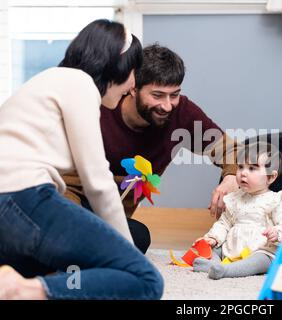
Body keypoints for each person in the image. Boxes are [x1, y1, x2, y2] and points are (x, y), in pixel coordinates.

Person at [0, 19, 163, 300]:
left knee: (72, 270)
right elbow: (97, 181)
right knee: (145, 279)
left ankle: (18, 281)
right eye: (135, 71)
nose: (134, 84)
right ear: (119, 65)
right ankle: (23, 289)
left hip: (10, 210)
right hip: (22, 197)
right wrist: (125, 253)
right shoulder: (79, 82)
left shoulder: (49, 80)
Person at [62, 43, 240, 253]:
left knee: (138, 237)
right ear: (132, 88)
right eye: (157, 95)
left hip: (110, 216)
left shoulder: (181, 113)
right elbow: (61, 178)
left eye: (173, 95)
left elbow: (232, 150)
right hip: (67, 201)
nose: (167, 105)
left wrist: (231, 176)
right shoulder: (100, 107)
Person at [192, 141, 282, 279]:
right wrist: (213, 238)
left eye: (252, 168)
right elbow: (224, 223)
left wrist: (277, 233)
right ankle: (214, 263)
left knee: (262, 259)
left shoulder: (277, 200)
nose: (243, 173)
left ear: (270, 177)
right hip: (232, 247)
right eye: (241, 167)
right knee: (214, 248)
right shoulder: (234, 198)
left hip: (260, 250)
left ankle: (227, 270)